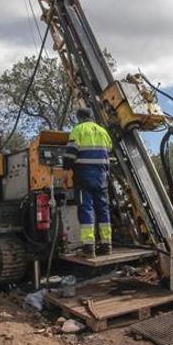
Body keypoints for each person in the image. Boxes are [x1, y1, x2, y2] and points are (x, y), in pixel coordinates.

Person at [63, 107, 113, 257]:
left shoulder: (78, 130)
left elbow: (70, 153)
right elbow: (109, 149)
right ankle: (106, 244)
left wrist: (65, 173)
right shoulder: (103, 131)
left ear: (79, 118)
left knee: (86, 209)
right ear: (91, 116)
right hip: (101, 177)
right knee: (103, 209)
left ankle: (88, 247)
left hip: (84, 176)